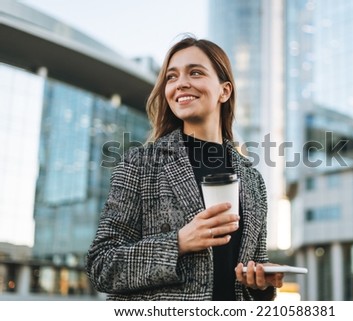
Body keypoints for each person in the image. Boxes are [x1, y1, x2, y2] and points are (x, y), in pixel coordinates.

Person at [85, 35, 284, 300]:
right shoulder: (140, 164)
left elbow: (254, 275)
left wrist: (261, 285)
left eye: (195, 72)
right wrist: (178, 243)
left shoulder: (253, 179)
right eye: (171, 77)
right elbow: (102, 265)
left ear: (224, 91)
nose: (181, 84)